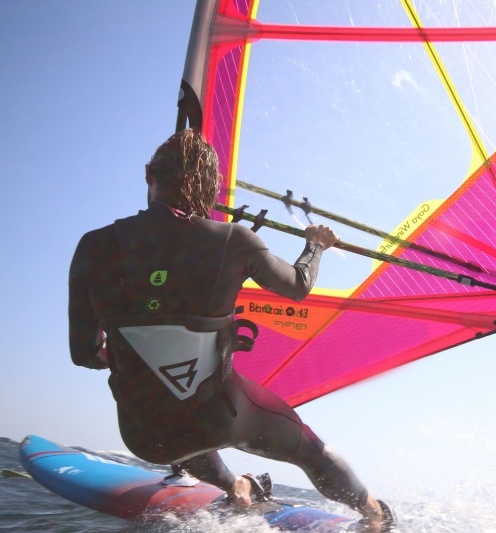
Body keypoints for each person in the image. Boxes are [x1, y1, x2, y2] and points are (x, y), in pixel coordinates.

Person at [68, 129, 395, 532]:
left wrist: (144, 353)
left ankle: (236, 487)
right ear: (212, 189)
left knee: (171, 418)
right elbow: (298, 285)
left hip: (142, 434)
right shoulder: (234, 240)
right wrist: (315, 245)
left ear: (148, 174)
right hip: (222, 417)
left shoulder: (93, 247)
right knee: (305, 448)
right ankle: (375, 515)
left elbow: (84, 354)